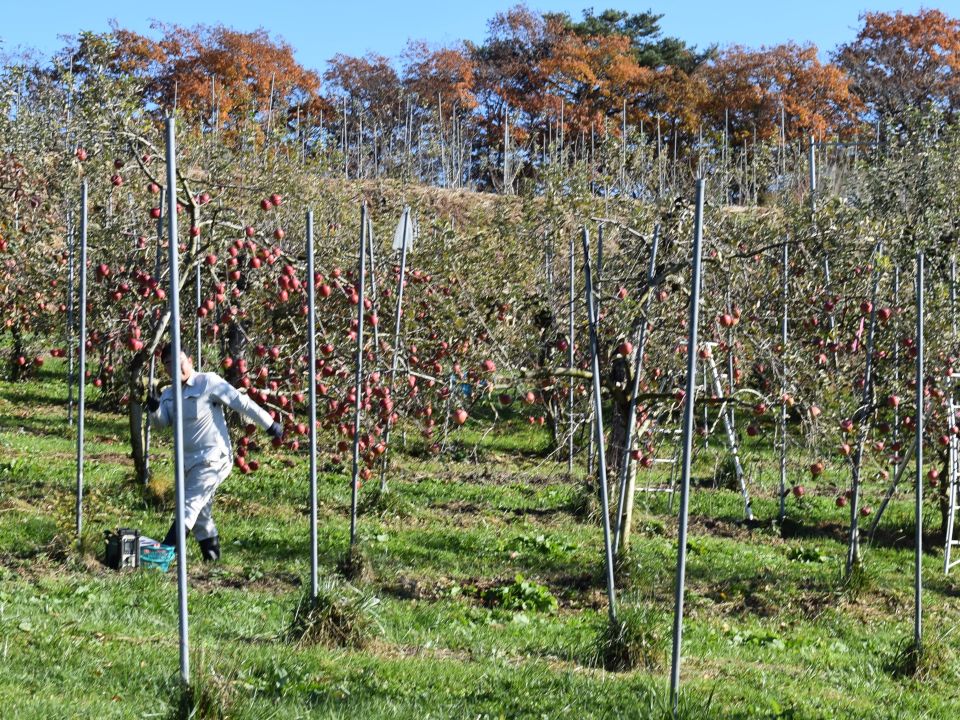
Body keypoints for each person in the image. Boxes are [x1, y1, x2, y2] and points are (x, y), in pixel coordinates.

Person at [147, 343, 283, 561]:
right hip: (186, 462)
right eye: (169, 364)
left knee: (189, 505)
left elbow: (241, 403)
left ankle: (165, 553)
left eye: (179, 361)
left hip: (213, 458)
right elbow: (162, 424)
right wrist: (154, 409)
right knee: (200, 515)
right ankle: (212, 560)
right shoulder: (169, 394)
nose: (175, 367)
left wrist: (269, 424)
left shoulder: (208, 382)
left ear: (190, 361)